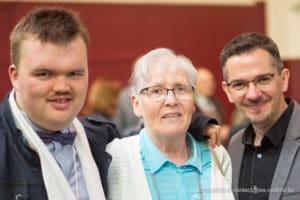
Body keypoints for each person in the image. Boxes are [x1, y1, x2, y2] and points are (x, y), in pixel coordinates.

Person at [0, 7, 114, 199]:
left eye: (75, 73)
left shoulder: (104, 139)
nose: (62, 87)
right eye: (44, 74)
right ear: (15, 76)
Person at [106, 48, 234, 200]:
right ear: (137, 104)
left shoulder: (217, 156)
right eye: (156, 91)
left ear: (193, 101)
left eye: (180, 89)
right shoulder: (114, 159)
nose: (171, 100)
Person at [220, 32, 300, 200]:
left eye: (263, 79)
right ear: (228, 91)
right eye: (239, 84)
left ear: (284, 79)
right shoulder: (235, 146)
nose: (253, 94)